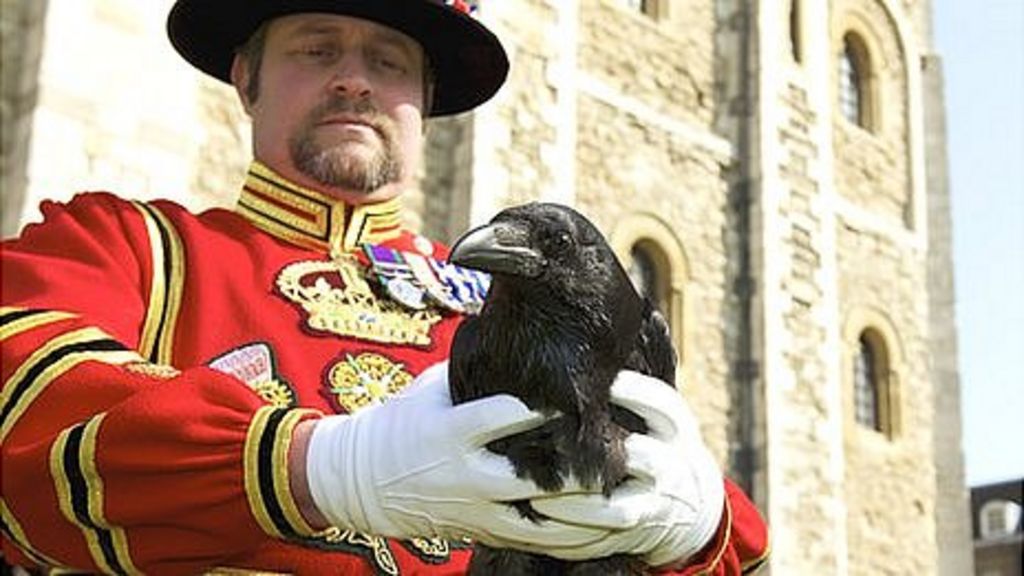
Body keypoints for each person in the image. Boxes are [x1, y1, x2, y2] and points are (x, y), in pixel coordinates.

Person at [0, 1, 769, 574]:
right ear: (245, 78)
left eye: (389, 62)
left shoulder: (521, 295)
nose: (354, 81)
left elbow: (730, 539)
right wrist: (314, 467)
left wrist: (697, 531)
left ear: (424, 101)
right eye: (317, 47)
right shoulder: (129, 248)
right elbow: (25, 413)